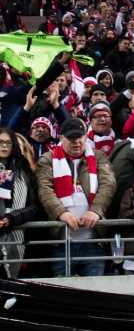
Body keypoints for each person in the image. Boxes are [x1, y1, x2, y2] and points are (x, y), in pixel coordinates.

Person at [35, 116, 116, 277]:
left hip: (93, 242)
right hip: (61, 242)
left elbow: (108, 184)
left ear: (85, 136)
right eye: (71, 138)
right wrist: (61, 212)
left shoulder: (98, 156)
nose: (76, 142)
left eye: (80, 137)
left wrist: (96, 210)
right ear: (61, 138)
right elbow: (44, 188)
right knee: (61, 294)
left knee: (95, 292)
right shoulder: (48, 159)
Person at [0, 127, 40, 278]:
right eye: (0, 142)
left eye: (8, 143)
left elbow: (34, 207)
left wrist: (12, 218)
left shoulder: (23, 172)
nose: (4, 146)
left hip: (14, 232)